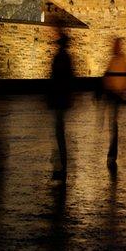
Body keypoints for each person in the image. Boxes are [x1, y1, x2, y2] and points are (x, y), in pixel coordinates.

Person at [102, 38, 126, 169]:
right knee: (113, 124)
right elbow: (108, 75)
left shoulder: (121, 59)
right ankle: (112, 153)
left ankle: (112, 154)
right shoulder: (114, 59)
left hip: (116, 96)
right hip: (112, 95)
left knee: (114, 124)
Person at [48, 32, 75, 181]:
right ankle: (62, 163)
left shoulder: (61, 58)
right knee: (59, 130)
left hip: (59, 97)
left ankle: (62, 165)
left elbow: (56, 77)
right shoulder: (65, 57)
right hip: (61, 97)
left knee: (59, 131)